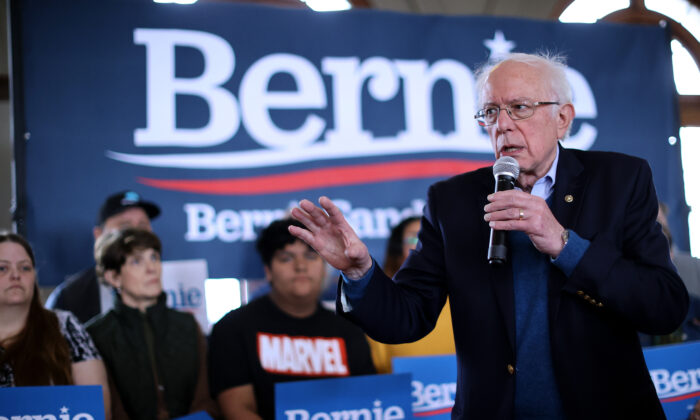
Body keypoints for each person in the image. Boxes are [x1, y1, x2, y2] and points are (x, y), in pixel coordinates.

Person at [289, 52, 688, 419]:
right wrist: (360, 273)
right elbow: (407, 318)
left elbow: (663, 307)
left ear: (563, 118)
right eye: (491, 111)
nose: (503, 124)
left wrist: (566, 246)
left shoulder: (620, 181)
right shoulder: (452, 201)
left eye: (519, 108)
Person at [208, 218, 376, 420]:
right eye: (286, 258)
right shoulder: (233, 328)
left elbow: (368, 405)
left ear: (324, 268)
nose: (300, 266)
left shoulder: (350, 331)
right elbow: (238, 410)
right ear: (268, 271)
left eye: (310, 256)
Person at [86, 229, 217, 420]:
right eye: (137, 261)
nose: (152, 268)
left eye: (154, 257)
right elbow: (109, 410)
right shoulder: (96, 335)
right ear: (113, 277)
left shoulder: (187, 325)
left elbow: (205, 399)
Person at [0, 233, 111, 418]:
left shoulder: (65, 326)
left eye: (25, 268)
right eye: (2, 268)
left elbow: (98, 408)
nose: (16, 275)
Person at [46, 190, 161, 324]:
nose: (136, 234)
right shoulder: (69, 298)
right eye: (125, 226)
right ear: (99, 235)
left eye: (142, 225)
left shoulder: (167, 288)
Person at [369, 216, 456, 373]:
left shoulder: (465, 300)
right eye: (414, 237)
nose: (424, 244)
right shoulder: (381, 302)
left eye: (433, 237)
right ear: (396, 250)